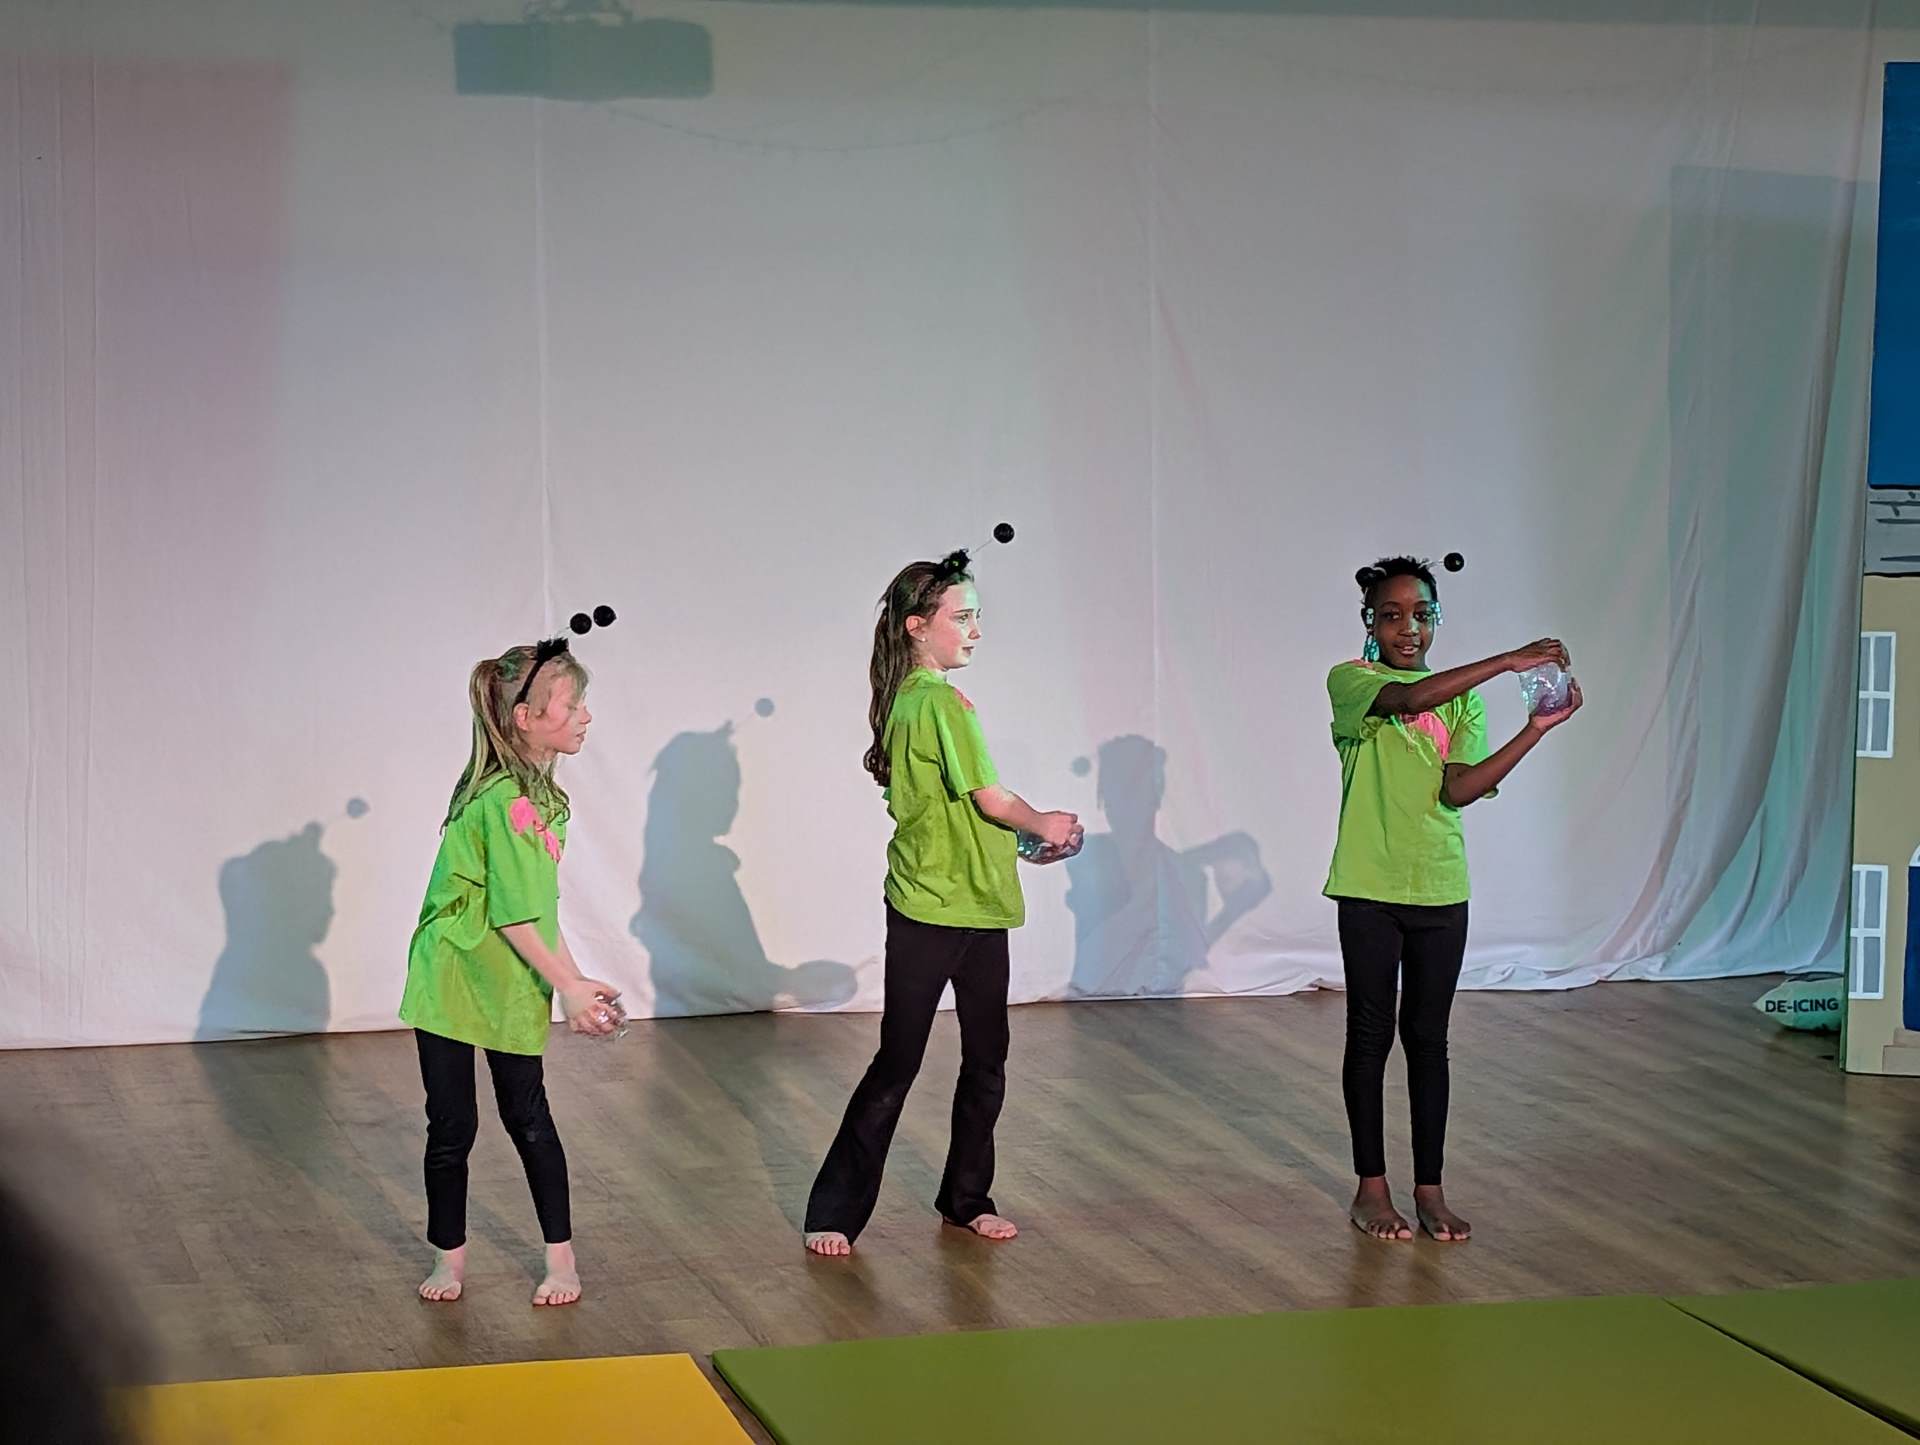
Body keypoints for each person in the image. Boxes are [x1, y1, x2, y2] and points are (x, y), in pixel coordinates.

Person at [803, 550, 1080, 1256]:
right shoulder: (935, 702)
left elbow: (962, 810)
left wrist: (1026, 841)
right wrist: (1044, 820)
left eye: (978, 616)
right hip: (931, 908)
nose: (976, 630)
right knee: (909, 1061)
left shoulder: (924, 700)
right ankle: (842, 1209)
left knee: (982, 1059)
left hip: (980, 906)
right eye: (963, 617)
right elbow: (991, 798)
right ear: (918, 626)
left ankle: (966, 1200)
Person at [1326, 557, 1581, 1242]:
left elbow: (1459, 788)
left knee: (1429, 1040)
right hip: (1369, 888)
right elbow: (1408, 701)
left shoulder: (1464, 702)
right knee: (1371, 1035)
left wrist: (1536, 728)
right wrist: (1506, 661)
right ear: (1370, 622)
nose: (1407, 628)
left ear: (1436, 619)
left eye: (1421, 614)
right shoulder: (1353, 681)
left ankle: (1430, 1189)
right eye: (1391, 615)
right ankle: (1370, 1188)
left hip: (1441, 889)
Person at [398, 636, 621, 1304]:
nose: (585, 716)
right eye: (572, 705)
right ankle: (449, 1259)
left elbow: (534, 911)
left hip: (508, 977)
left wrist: (574, 978)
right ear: (526, 717)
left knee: (528, 1117)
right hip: (451, 975)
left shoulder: (538, 800)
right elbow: (512, 916)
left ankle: (561, 1261)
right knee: (453, 1126)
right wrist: (568, 985)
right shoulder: (505, 801)